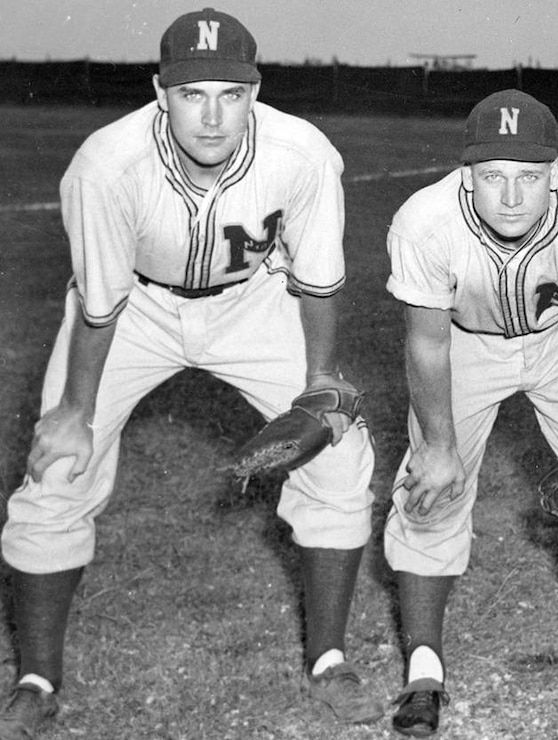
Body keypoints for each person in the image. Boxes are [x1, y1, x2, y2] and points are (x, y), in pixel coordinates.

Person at [0, 8, 382, 738]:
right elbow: (102, 305)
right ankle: (37, 679)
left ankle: (329, 659)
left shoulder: (301, 153)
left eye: (231, 95)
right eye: (191, 94)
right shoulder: (106, 164)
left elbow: (320, 282)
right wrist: (75, 411)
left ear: (256, 90)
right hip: (134, 309)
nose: (211, 116)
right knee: (57, 468)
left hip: (256, 302)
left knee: (341, 456)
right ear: (159, 91)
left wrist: (322, 380)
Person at [382, 89, 558, 736]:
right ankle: (424, 672)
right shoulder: (424, 222)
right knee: (428, 490)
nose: (510, 197)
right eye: (493, 177)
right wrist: (440, 448)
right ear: (465, 175)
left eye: (528, 178)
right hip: (466, 343)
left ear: (555, 174)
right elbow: (426, 340)